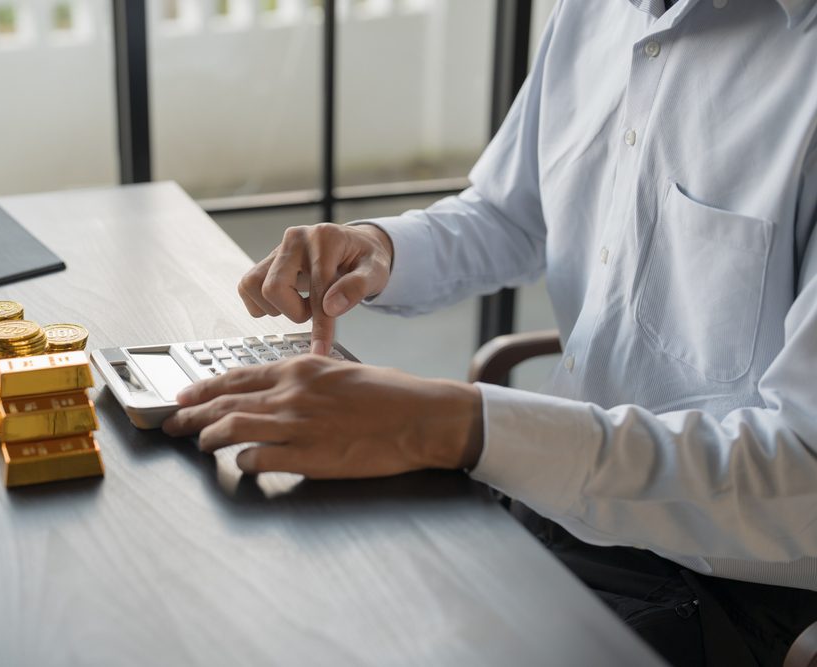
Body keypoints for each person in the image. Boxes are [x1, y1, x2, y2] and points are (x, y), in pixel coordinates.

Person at [163, 0, 817, 664]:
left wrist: (452, 423)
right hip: (550, 496)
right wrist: (379, 247)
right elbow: (512, 213)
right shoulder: (597, 12)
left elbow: (804, 478)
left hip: (732, 579)